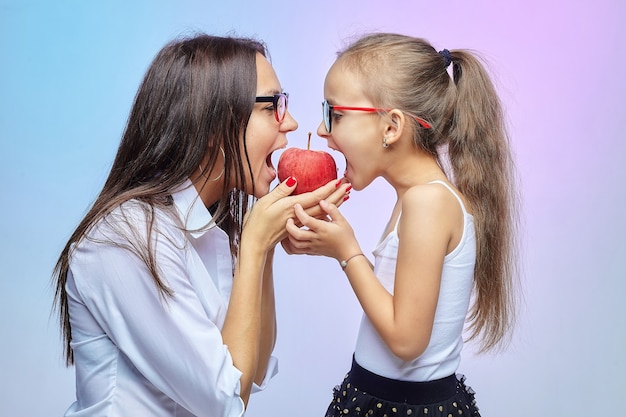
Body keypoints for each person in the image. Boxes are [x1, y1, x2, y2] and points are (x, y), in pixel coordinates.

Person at [51, 33, 349, 417]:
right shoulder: (122, 239)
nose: (289, 122)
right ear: (212, 127)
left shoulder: (211, 227)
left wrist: (266, 246)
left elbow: (252, 370)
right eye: (272, 106)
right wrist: (256, 244)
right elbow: (224, 400)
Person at [283, 33, 519, 416]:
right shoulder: (415, 197)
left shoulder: (429, 201)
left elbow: (407, 340)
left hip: (398, 407)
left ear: (391, 126)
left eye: (335, 115)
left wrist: (347, 252)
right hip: (379, 396)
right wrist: (329, 244)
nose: (323, 130)